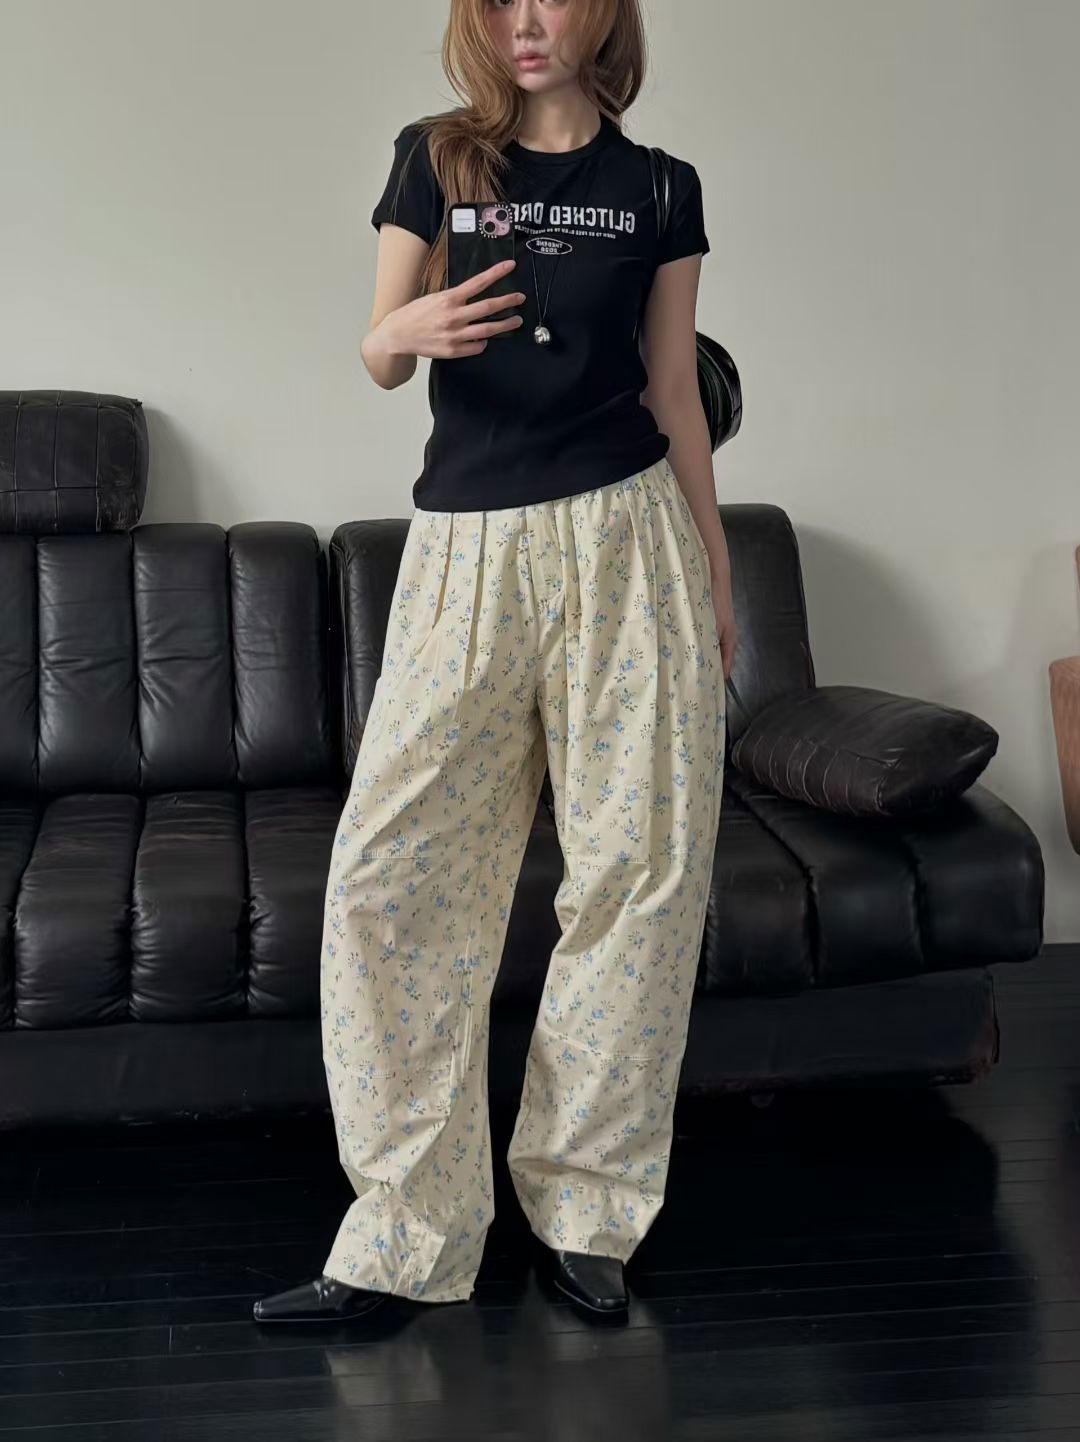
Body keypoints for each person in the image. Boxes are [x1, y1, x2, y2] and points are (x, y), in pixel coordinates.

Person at [254, 0, 737, 1328]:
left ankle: (588, 1208)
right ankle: (405, 1230)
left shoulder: (662, 189)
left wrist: (715, 569)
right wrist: (402, 335)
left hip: (629, 540)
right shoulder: (437, 158)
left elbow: (675, 391)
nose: (527, 19)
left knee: (639, 875)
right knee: (389, 879)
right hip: (466, 550)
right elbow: (376, 348)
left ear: (604, 11)